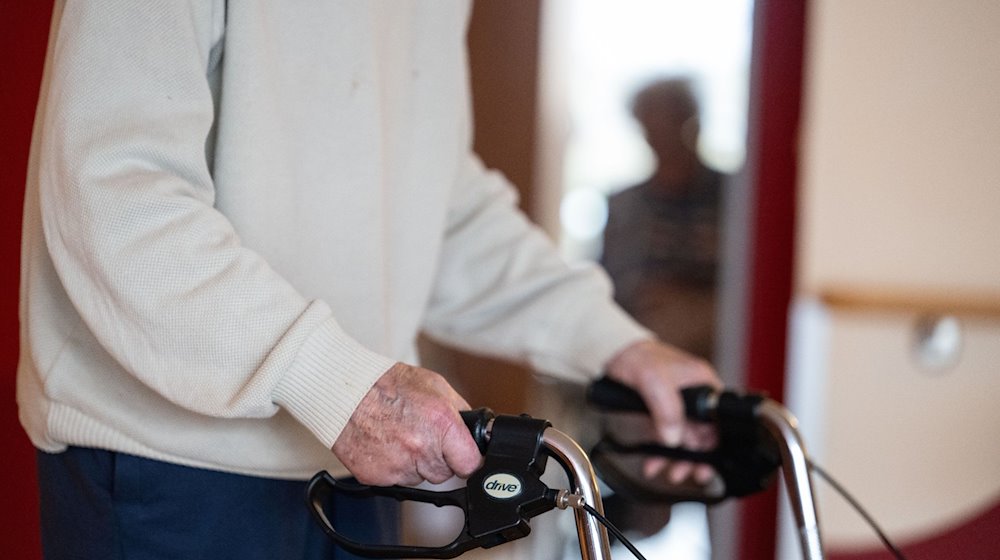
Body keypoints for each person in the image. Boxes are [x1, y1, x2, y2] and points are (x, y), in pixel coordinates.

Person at [17, 3, 720, 559]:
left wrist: (619, 346)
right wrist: (336, 381)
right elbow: (113, 189)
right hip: (171, 467)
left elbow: (440, 212)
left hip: (355, 464)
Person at [597, 77, 727, 539]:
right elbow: (607, 288)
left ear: (692, 123)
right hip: (644, 345)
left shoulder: (735, 198)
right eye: (649, 125)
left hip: (716, 352)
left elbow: (747, 286)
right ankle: (641, 503)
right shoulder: (624, 204)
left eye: (671, 122)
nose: (661, 136)